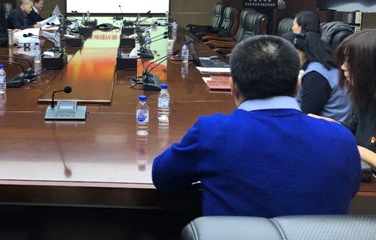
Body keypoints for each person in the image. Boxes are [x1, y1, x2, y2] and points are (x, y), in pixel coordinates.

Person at [152, 35, 360, 217]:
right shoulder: (341, 138)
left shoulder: (213, 131)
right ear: (298, 87)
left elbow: (163, 178)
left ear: (232, 87)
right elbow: (349, 191)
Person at [282, 31, 351, 121]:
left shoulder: (315, 76)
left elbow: (308, 115)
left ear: (296, 52)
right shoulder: (322, 66)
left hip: (329, 126)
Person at [334, 30, 376, 170]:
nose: (343, 67)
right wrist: (323, 124)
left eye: (350, 61)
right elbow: (353, 130)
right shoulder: (366, 98)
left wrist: (359, 150)